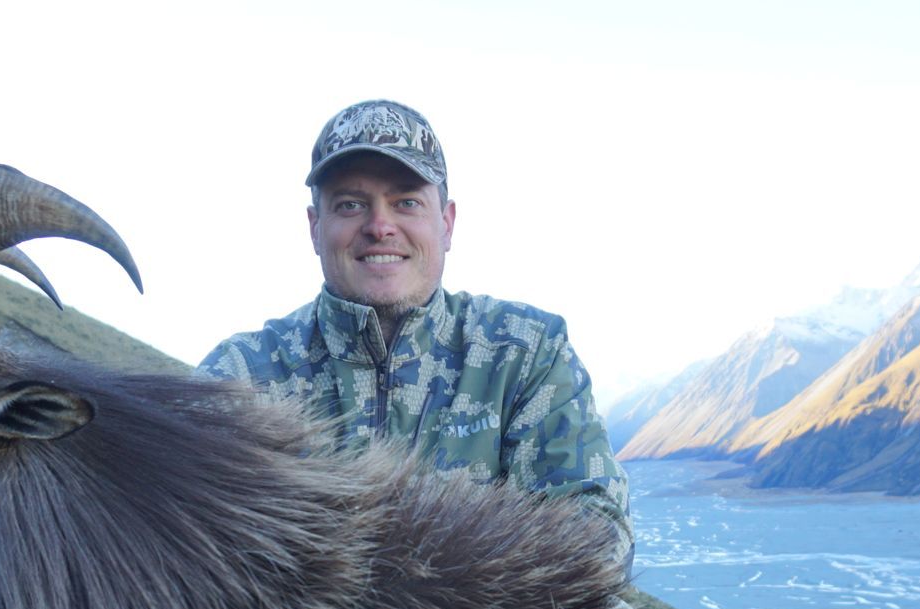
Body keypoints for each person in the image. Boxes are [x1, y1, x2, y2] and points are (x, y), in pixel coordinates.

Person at [199, 100, 632, 566]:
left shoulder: (526, 353)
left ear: (445, 224)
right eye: (350, 204)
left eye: (406, 202)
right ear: (315, 228)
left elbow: (595, 537)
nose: (380, 226)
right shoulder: (240, 378)